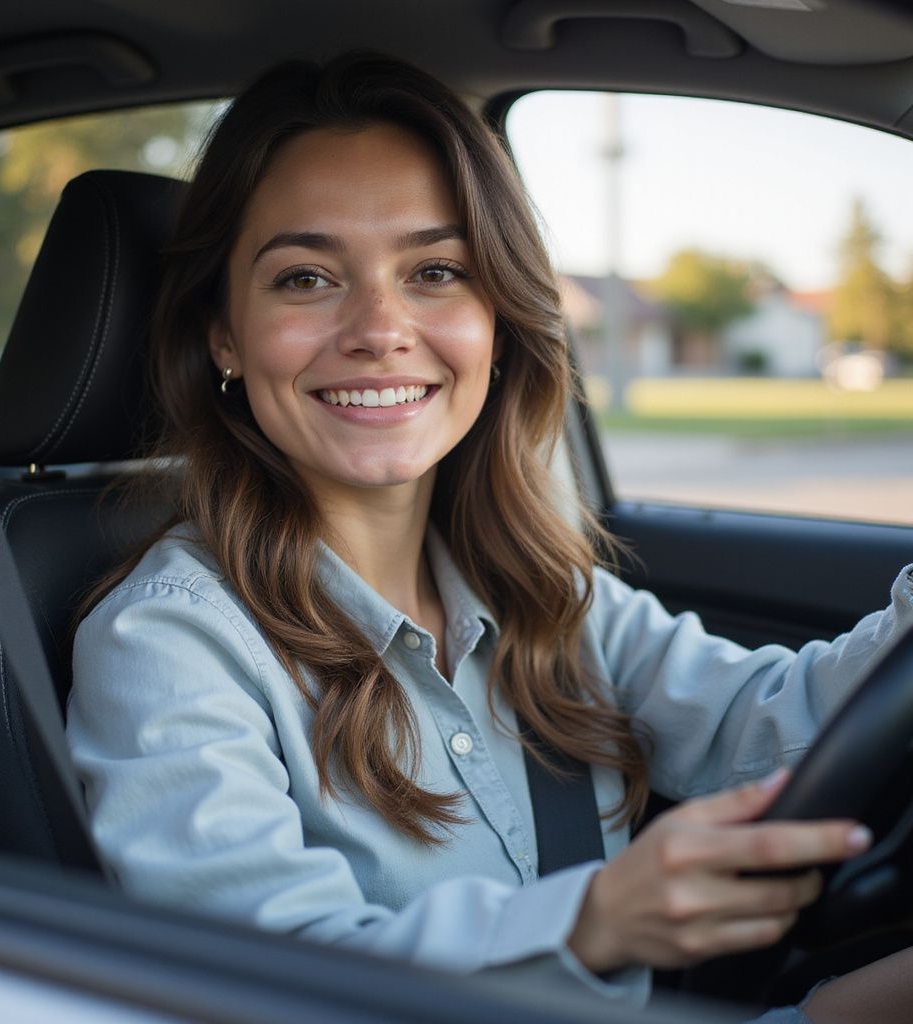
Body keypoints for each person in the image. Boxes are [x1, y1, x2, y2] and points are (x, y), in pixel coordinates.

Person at [67, 53, 913, 1022]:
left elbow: (775, 723)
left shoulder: (541, 588)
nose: (379, 328)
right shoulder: (168, 645)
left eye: (435, 271)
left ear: (497, 320)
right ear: (223, 335)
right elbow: (262, 985)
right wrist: (591, 922)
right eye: (305, 277)